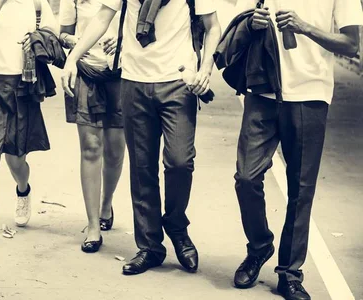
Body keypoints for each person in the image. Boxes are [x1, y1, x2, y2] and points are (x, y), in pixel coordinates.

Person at [61, 0, 221, 274]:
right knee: (142, 168)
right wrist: (73, 58)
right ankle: (149, 246)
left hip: (178, 81)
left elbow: (213, 26)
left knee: (179, 162)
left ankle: (176, 225)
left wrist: (206, 67)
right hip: (134, 81)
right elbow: (102, 17)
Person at [222, 0, 363, 299]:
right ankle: (259, 248)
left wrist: (305, 27)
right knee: (246, 177)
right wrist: (252, 23)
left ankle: (289, 272)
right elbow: (237, 23)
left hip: (311, 94)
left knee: (300, 189)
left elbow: (351, 44)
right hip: (262, 90)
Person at [0, 0, 60, 248]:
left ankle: (23, 189)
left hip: (24, 84)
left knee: (16, 158)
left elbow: (54, 33)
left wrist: (38, 37)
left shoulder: (36, 3)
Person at [58, 0, 125, 253]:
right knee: (90, 147)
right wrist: (73, 42)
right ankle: (93, 224)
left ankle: (106, 204)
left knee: (115, 150)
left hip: (122, 73)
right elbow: (63, 32)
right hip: (85, 71)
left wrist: (123, 41)